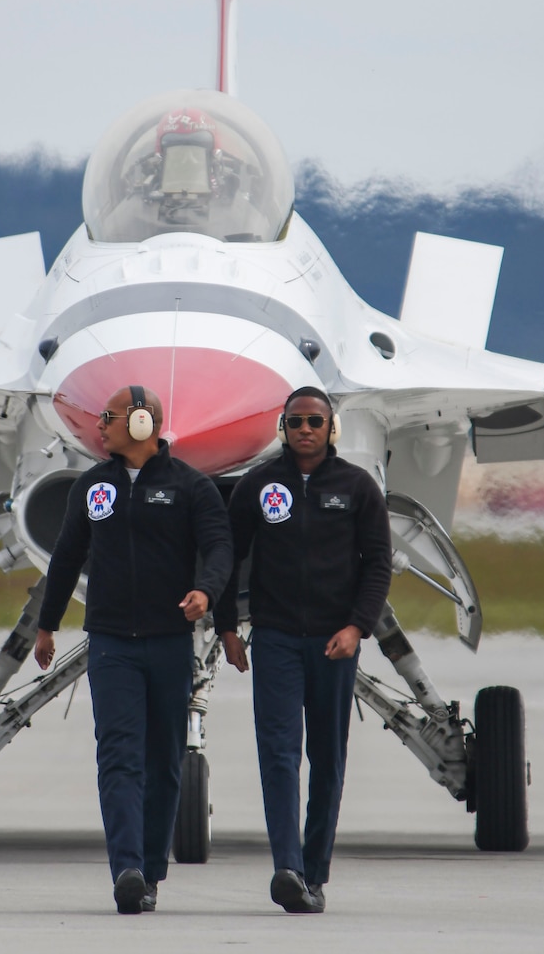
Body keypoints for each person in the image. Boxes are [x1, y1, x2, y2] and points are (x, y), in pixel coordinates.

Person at [35, 384, 232, 915]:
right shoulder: (91, 488)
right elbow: (66, 555)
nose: (99, 426)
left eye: (110, 417)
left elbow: (218, 547)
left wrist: (206, 590)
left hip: (169, 643)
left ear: (142, 424)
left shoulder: (192, 488)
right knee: (118, 755)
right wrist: (47, 624)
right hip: (111, 644)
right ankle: (125, 867)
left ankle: (150, 869)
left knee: (164, 760)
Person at [216, 386, 389, 914]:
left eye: (315, 421)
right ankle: (286, 868)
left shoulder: (358, 488)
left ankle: (314, 872)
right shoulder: (257, 485)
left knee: (328, 758)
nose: (305, 430)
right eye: (296, 422)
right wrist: (227, 627)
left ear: (330, 427)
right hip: (276, 638)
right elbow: (227, 555)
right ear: (283, 428)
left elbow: (378, 564)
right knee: (278, 754)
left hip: (336, 643)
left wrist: (358, 627)